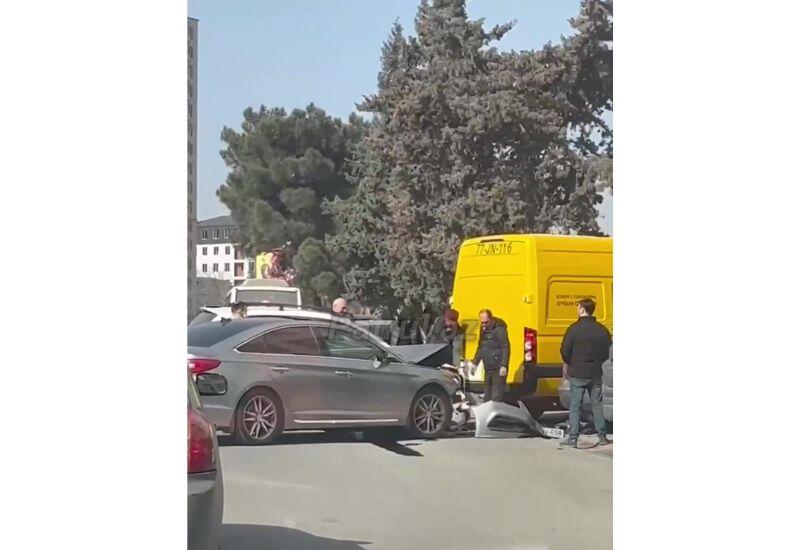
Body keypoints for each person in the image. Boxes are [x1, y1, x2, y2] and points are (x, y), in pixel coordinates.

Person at [559, 297, 612, 448]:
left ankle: (573, 438)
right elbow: (607, 351)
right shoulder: (602, 330)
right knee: (597, 404)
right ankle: (602, 436)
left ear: (582, 309)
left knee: (576, 405)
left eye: (578, 307)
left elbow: (565, 350)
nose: (577, 310)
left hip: (578, 372)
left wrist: (570, 363)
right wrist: (598, 362)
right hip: (595, 372)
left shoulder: (574, 329)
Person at [472, 309, 510, 402]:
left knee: (496, 396)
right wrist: (475, 363)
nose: (484, 325)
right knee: (487, 395)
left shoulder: (499, 329)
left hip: (498, 367)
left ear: (491, 319)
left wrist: (504, 365)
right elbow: (481, 347)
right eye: (482, 323)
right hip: (488, 367)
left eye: (486, 322)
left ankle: (496, 410)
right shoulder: (483, 329)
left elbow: (505, 346)